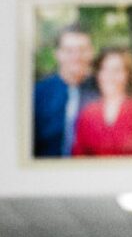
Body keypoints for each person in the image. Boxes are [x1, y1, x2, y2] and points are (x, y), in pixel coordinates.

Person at [32, 23, 99, 157]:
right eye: (69, 50)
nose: (76, 56)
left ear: (91, 52)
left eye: (82, 50)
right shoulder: (37, 94)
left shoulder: (102, 91)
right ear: (57, 54)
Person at [71, 46, 132, 157]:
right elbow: (78, 157)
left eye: (117, 70)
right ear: (98, 74)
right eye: (104, 69)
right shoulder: (87, 114)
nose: (110, 76)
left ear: (128, 75)